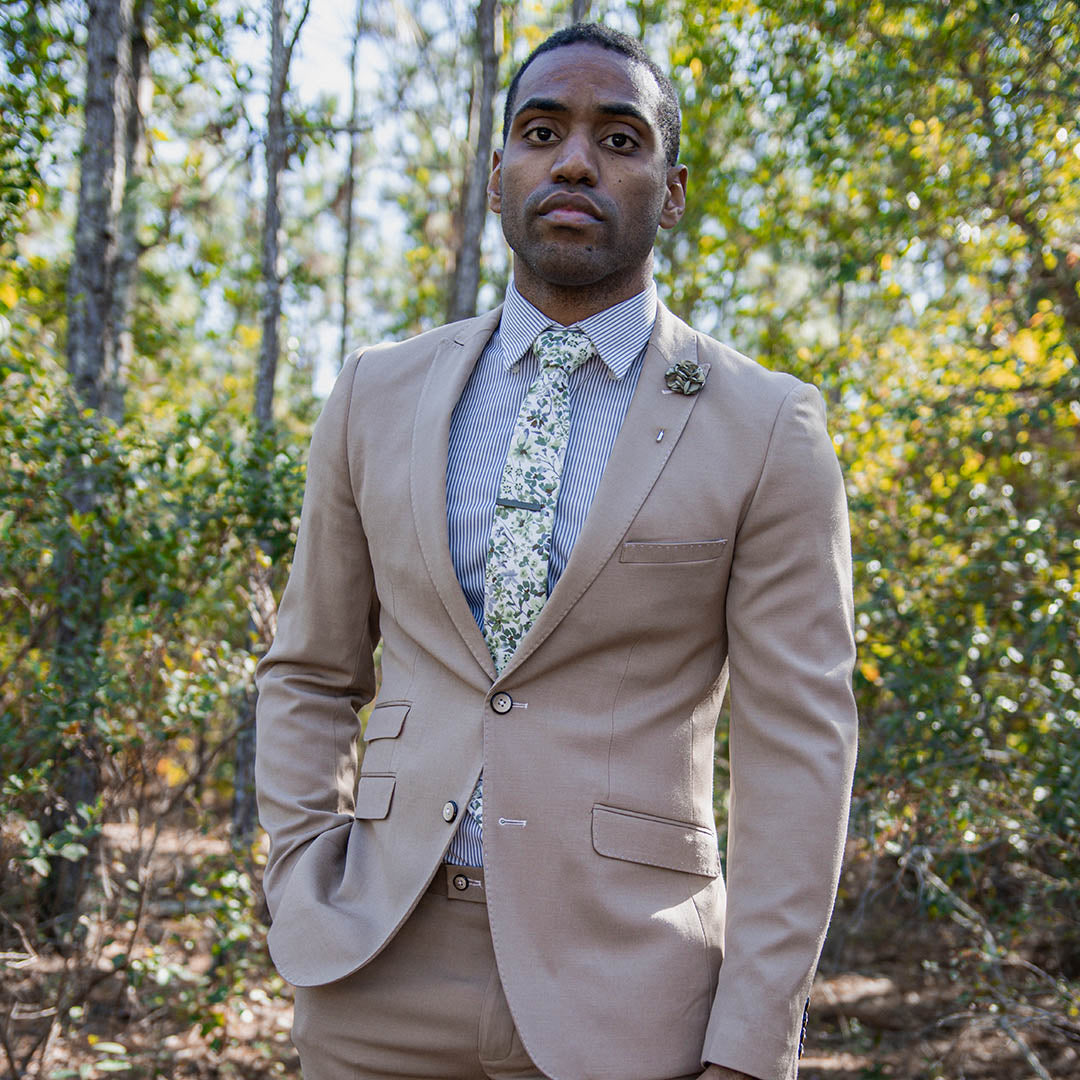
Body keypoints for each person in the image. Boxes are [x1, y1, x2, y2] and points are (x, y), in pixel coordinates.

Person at [255, 22, 857, 1080]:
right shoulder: (375, 393)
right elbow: (308, 669)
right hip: (376, 973)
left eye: (620, 139)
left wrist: (754, 1040)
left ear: (671, 191)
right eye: (543, 132)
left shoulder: (768, 426)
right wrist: (301, 869)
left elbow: (798, 754)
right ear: (498, 178)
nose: (576, 159)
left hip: (633, 991)